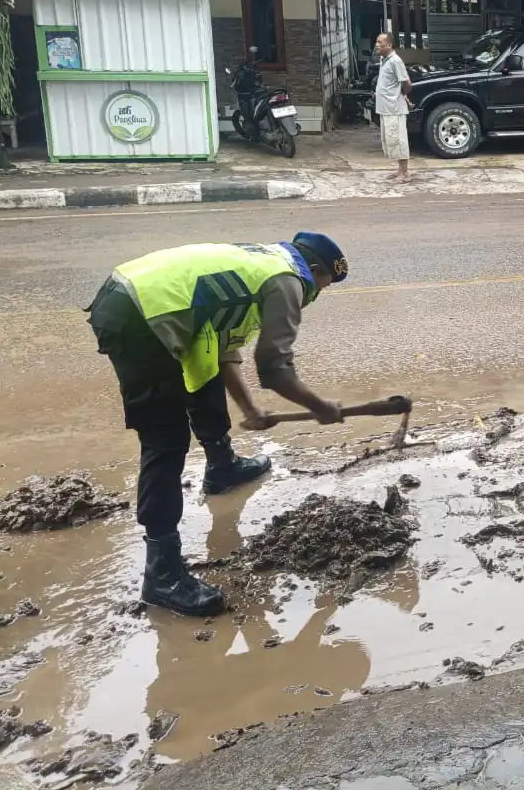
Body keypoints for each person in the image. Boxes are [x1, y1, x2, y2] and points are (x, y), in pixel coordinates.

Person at [86, 233, 349, 617]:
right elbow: (274, 369)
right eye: (323, 286)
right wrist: (320, 406)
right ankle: (162, 574)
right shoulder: (289, 281)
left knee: (204, 366)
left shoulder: (262, 266)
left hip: (141, 298)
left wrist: (249, 408)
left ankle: (222, 467)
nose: (318, 294)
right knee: (165, 440)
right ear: (314, 270)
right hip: (139, 318)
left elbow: (223, 351)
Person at [375, 33, 413, 181]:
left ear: (389, 45)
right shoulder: (384, 60)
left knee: (399, 140)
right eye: (377, 42)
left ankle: (405, 173)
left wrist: (402, 94)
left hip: (394, 108)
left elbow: (407, 83)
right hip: (386, 108)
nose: (377, 45)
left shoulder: (396, 61)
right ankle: (399, 171)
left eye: (380, 42)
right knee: (392, 140)